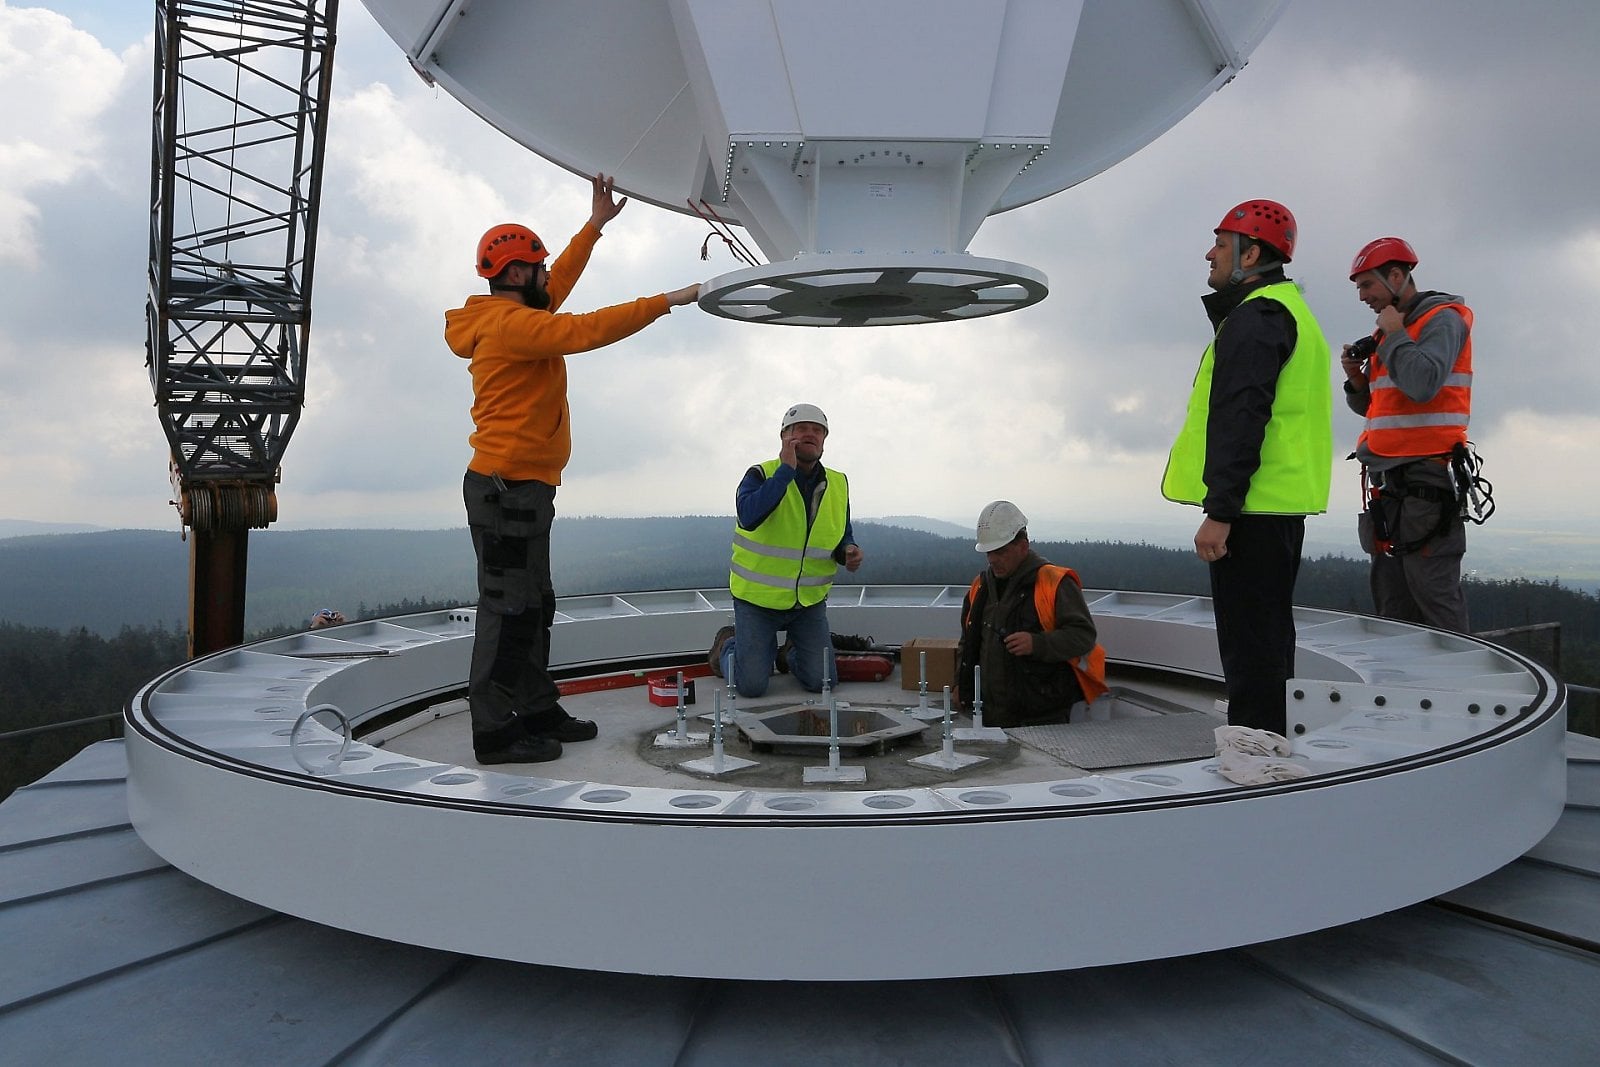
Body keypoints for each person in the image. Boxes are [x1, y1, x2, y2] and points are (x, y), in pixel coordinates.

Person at [446, 173, 702, 764]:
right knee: (508, 609)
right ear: (515, 275)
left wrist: (593, 227)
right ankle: (495, 731)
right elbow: (584, 330)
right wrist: (668, 300)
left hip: (520, 489)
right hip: (506, 490)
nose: (544, 276)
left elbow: (555, 284)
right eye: (534, 268)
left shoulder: (514, 311)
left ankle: (535, 706)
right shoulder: (515, 326)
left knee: (534, 603)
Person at [1161, 200, 1332, 736]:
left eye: (1221, 243)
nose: (1208, 253)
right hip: (1275, 505)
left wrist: (1221, 511)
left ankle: (1255, 751)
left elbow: (1242, 416)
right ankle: (1267, 727)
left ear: (1251, 254)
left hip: (1252, 508)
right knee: (1270, 632)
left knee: (1251, 638)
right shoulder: (1286, 309)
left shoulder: (1257, 318)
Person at [1341, 237, 1473, 632]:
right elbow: (1377, 409)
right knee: (1393, 600)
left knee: (1433, 596)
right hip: (1392, 484)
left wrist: (1396, 334)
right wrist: (1356, 382)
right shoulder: (1392, 330)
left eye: (1368, 285)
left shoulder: (1442, 318)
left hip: (1425, 481)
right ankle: (1402, 686)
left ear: (1396, 276)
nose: (1363, 296)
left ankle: (1456, 684)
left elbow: (1422, 383)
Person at [714, 403, 864, 697]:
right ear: (785, 437)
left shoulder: (838, 482)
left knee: (823, 683)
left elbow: (840, 532)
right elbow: (749, 515)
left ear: (824, 439)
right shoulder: (760, 474)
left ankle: (789, 653)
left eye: (818, 430)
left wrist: (849, 549)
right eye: (801, 429)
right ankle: (729, 645)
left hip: (807, 603)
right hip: (758, 601)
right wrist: (786, 471)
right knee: (752, 686)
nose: (811, 434)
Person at [955, 501, 1107, 728]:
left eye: (1001, 551)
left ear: (1023, 546)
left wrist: (1036, 643)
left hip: (1041, 717)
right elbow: (968, 642)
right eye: (989, 552)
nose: (993, 559)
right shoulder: (981, 587)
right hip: (989, 714)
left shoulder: (1053, 583)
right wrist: (961, 684)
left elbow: (1083, 636)